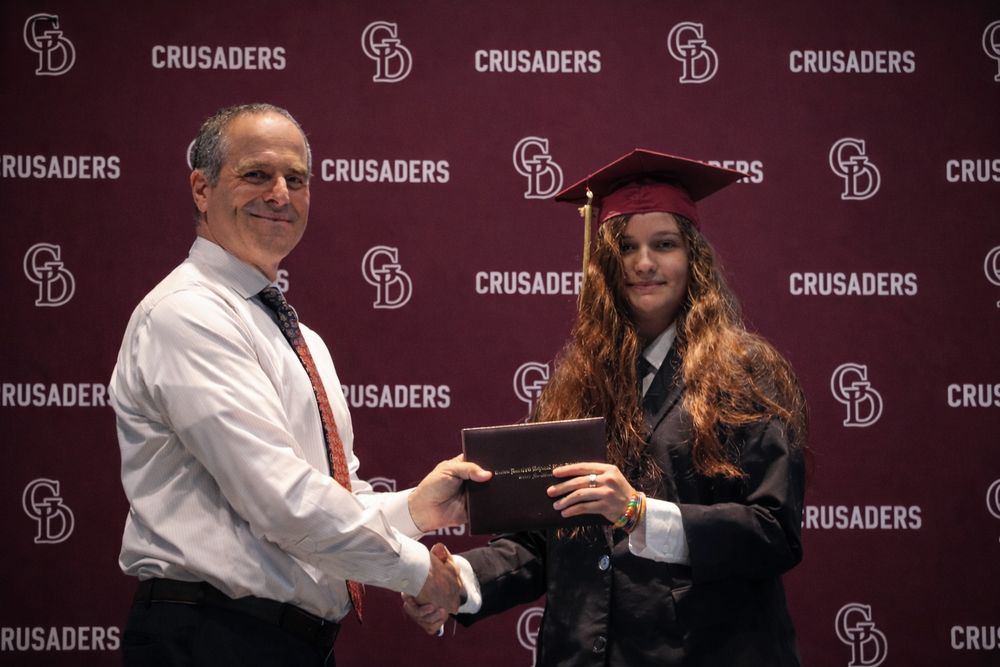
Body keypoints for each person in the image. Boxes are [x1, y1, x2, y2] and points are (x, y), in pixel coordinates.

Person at [111, 103, 488, 667]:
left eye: (297, 179)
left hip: (288, 645)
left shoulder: (298, 336)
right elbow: (282, 502)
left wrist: (416, 510)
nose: (280, 195)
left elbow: (327, 498)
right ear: (200, 187)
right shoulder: (187, 313)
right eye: (256, 174)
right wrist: (417, 571)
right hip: (211, 639)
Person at [404, 150, 808, 666]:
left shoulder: (746, 372)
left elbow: (772, 533)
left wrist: (639, 512)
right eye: (626, 247)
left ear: (694, 259)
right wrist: (456, 582)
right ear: (604, 266)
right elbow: (539, 540)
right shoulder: (578, 382)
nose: (643, 263)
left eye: (664, 245)